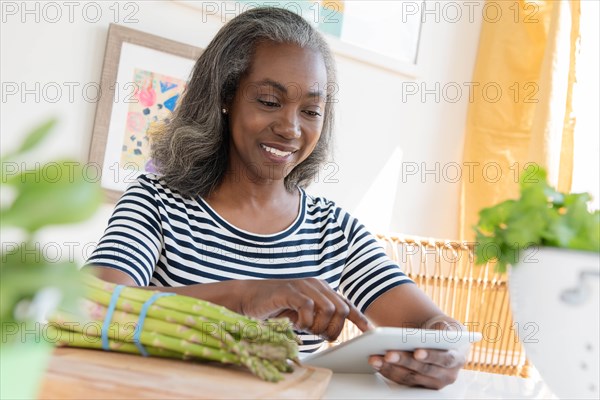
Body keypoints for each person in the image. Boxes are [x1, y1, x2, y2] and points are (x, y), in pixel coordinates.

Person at [84, 7, 466, 389]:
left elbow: (433, 326)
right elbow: (91, 306)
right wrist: (246, 296)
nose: (290, 128)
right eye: (269, 101)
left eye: (311, 110)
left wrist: (442, 353)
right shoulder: (156, 202)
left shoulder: (333, 230)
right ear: (226, 97)